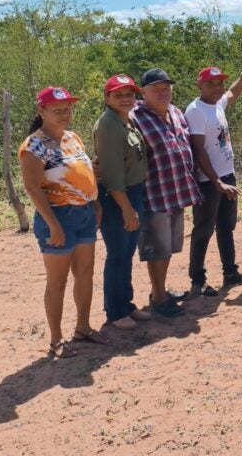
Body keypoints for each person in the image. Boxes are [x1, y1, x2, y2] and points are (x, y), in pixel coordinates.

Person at [19, 86, 104, 358]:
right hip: (58, 216)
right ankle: (56, 340)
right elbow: (33, 188)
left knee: (86, 273)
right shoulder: (34, 145)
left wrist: (94, 200)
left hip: (84, 214)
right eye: (57, 110)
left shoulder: (72, 137)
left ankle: (83, 328)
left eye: (67, 108)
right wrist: (53, 224)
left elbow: (80, 170)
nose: (65, 113)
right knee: (58, 282)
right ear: (41, 111)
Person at [131, 68, 202, 318]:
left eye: (167, 87)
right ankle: (159, 298)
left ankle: (158, 291)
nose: (163, 92)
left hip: (177, 192)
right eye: (157, 88)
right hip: (154, 194)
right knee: (157, 248)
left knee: (169, 247)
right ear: (143, 92)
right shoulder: (134, 117)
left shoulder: (177, 113)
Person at [184, 61, 242, 299]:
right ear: (200, 85)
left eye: (219, 83)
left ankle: (230, 272)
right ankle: (198, 280)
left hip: (226, 175)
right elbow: (198, 150)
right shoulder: (196, 110)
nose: (217, 87)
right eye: (211, 83)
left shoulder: (217, 105)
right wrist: (216, 182)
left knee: (226, 226)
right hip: (209, 180)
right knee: (203, 229)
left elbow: (233, 92)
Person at [94, 75, 152, 330]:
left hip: (134, 193)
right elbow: (112, 175)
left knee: (126, 254)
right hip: (118, 197)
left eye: (129, 94)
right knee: (117, 255)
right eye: (118, 95)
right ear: (107, 99)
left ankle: (126, 304)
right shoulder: (108, 125)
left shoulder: (126, 120)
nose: (125, 99)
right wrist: (127, 208)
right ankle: (115, 312)